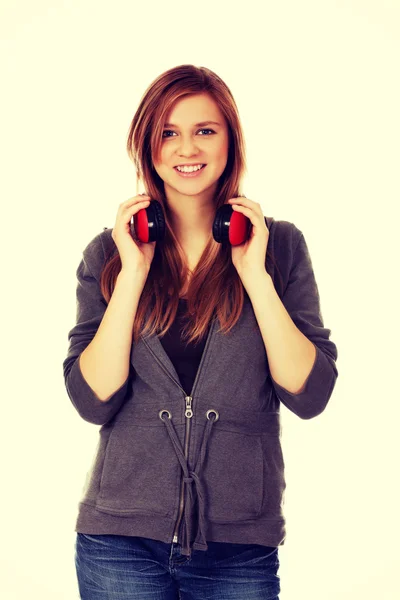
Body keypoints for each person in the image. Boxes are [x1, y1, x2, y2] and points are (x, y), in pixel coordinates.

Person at [63, 64, 339, 600]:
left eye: (204, 130)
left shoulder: (278, 247)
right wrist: (133, 273)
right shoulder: (108, 254)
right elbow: (92, 399)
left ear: (230, 141)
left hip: (238, 546)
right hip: (118, 541)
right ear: (148, 146)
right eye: (168, 132)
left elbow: (310, 393)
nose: (186, 148)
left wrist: (253, 274)